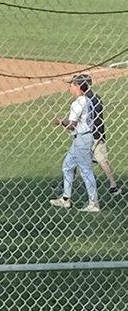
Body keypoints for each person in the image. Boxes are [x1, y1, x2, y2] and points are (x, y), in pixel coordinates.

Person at [50, 74, 100, 213]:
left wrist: (60, 122)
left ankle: (93, 203)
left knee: (86, 172)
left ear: (78, 86)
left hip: (82, 139)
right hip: (82, 138)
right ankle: (66, 199)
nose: (69, 87)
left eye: (71, 85)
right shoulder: (87, 100)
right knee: (67, 166)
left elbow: (72, 125)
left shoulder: (78, 103)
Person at [87, 78, 119, 195]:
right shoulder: (96, 97)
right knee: (102, 160)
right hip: (98, 133)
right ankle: (113, 185)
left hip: (90, 135)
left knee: (73, 159)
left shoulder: (86, 100)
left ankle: (66, 186)